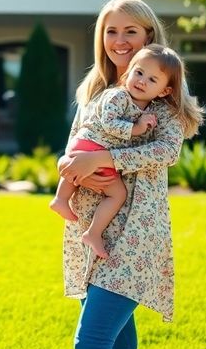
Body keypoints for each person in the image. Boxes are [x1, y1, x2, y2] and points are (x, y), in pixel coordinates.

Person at [56, 0, 203, 349]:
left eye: (130, 31)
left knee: (91, 343)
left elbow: (166, 152)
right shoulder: (94, 91)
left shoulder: (163, 94)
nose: (119, 40)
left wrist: (105, 158)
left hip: (135, 231)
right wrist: (71, 163)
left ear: (149, 35)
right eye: (111, 31)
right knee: (120, 346)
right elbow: (76, 144)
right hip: (93, 229)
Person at [50, 43, 196, 260]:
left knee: (110, 190)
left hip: (91, 148)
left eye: (152, 80)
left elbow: (168, 151)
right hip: (92, 145)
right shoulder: (117, 96)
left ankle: (72, 210)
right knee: (118, 194)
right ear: (129, 72)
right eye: (138, 73)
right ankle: (88, 226)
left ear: (165, 91)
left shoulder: (151, 109)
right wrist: (137, 128)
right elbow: (109, 123)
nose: (141, 81)